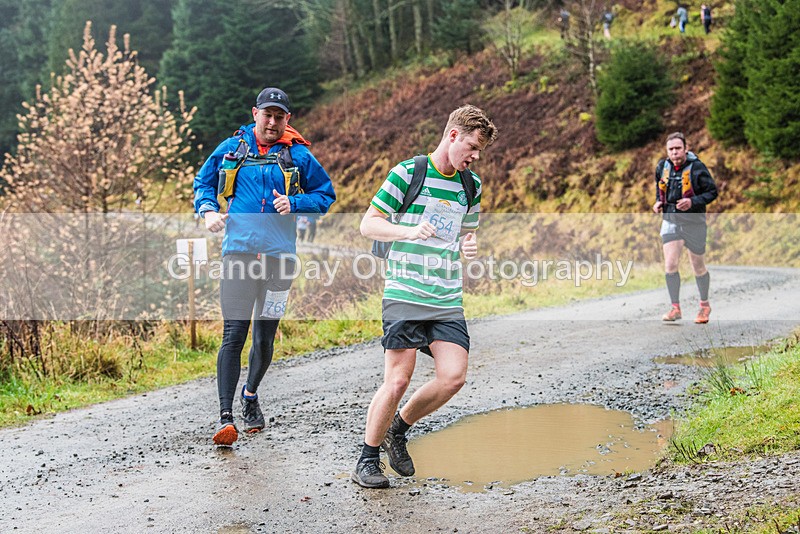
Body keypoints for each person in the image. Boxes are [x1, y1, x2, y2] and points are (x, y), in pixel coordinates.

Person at [352, 105, 497, 488]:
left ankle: (397, 430)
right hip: (405, 291)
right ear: (452, 135)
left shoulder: (471, 185)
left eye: (480, 151)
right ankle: (367, 459)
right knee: (398, 380)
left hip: (446, 297)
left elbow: (465, 233)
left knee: (453, 377)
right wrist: (409, 231)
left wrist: (468, 246)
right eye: (472, 147)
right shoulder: (408, 173)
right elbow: (369, 224)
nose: (475, 156)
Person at [194, 87, 336, 445]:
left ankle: (251, 395)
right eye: (267, 115)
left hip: (279, 260)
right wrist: (208, 211)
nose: (272, 122)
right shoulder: (232, 149)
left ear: (288, 119)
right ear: (255, 114)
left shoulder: (298, 155)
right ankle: (225, 417)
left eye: (279, 116)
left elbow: (326, 195)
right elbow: (203, 183)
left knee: (264, 336)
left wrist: (296, 203)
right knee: (233, 334)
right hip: (238, 255)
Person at [652, 132, 718, 324]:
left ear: (686, 149)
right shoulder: (662, 167)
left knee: (697, 266)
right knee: (670, 265)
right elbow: (659, 187)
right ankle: (675, 308)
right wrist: (658, 202)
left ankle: (704, 306)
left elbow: (712, 192)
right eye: (671, 149)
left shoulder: (697, 168)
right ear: (667, 151)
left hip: (694, 222)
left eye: (678, 148)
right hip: (671, 221)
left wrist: (692, 201)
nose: (674, 152)